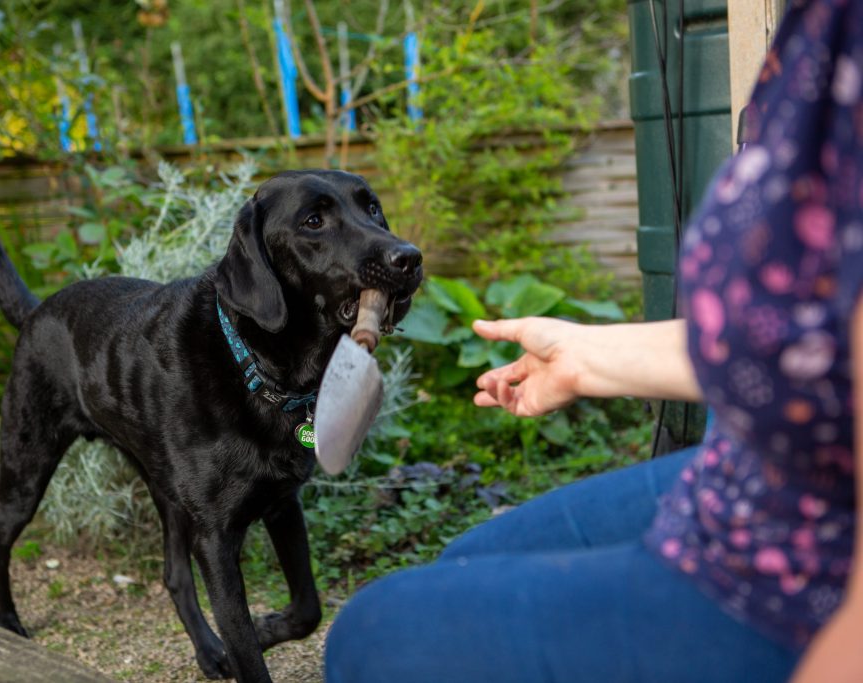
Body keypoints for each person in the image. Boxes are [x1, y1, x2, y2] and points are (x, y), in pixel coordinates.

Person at [324, 1, 863, 681]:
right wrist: (589, 357)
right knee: (468, 552)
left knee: (375, 638)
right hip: (747, 469)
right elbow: (814, 341)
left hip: (806, 563)